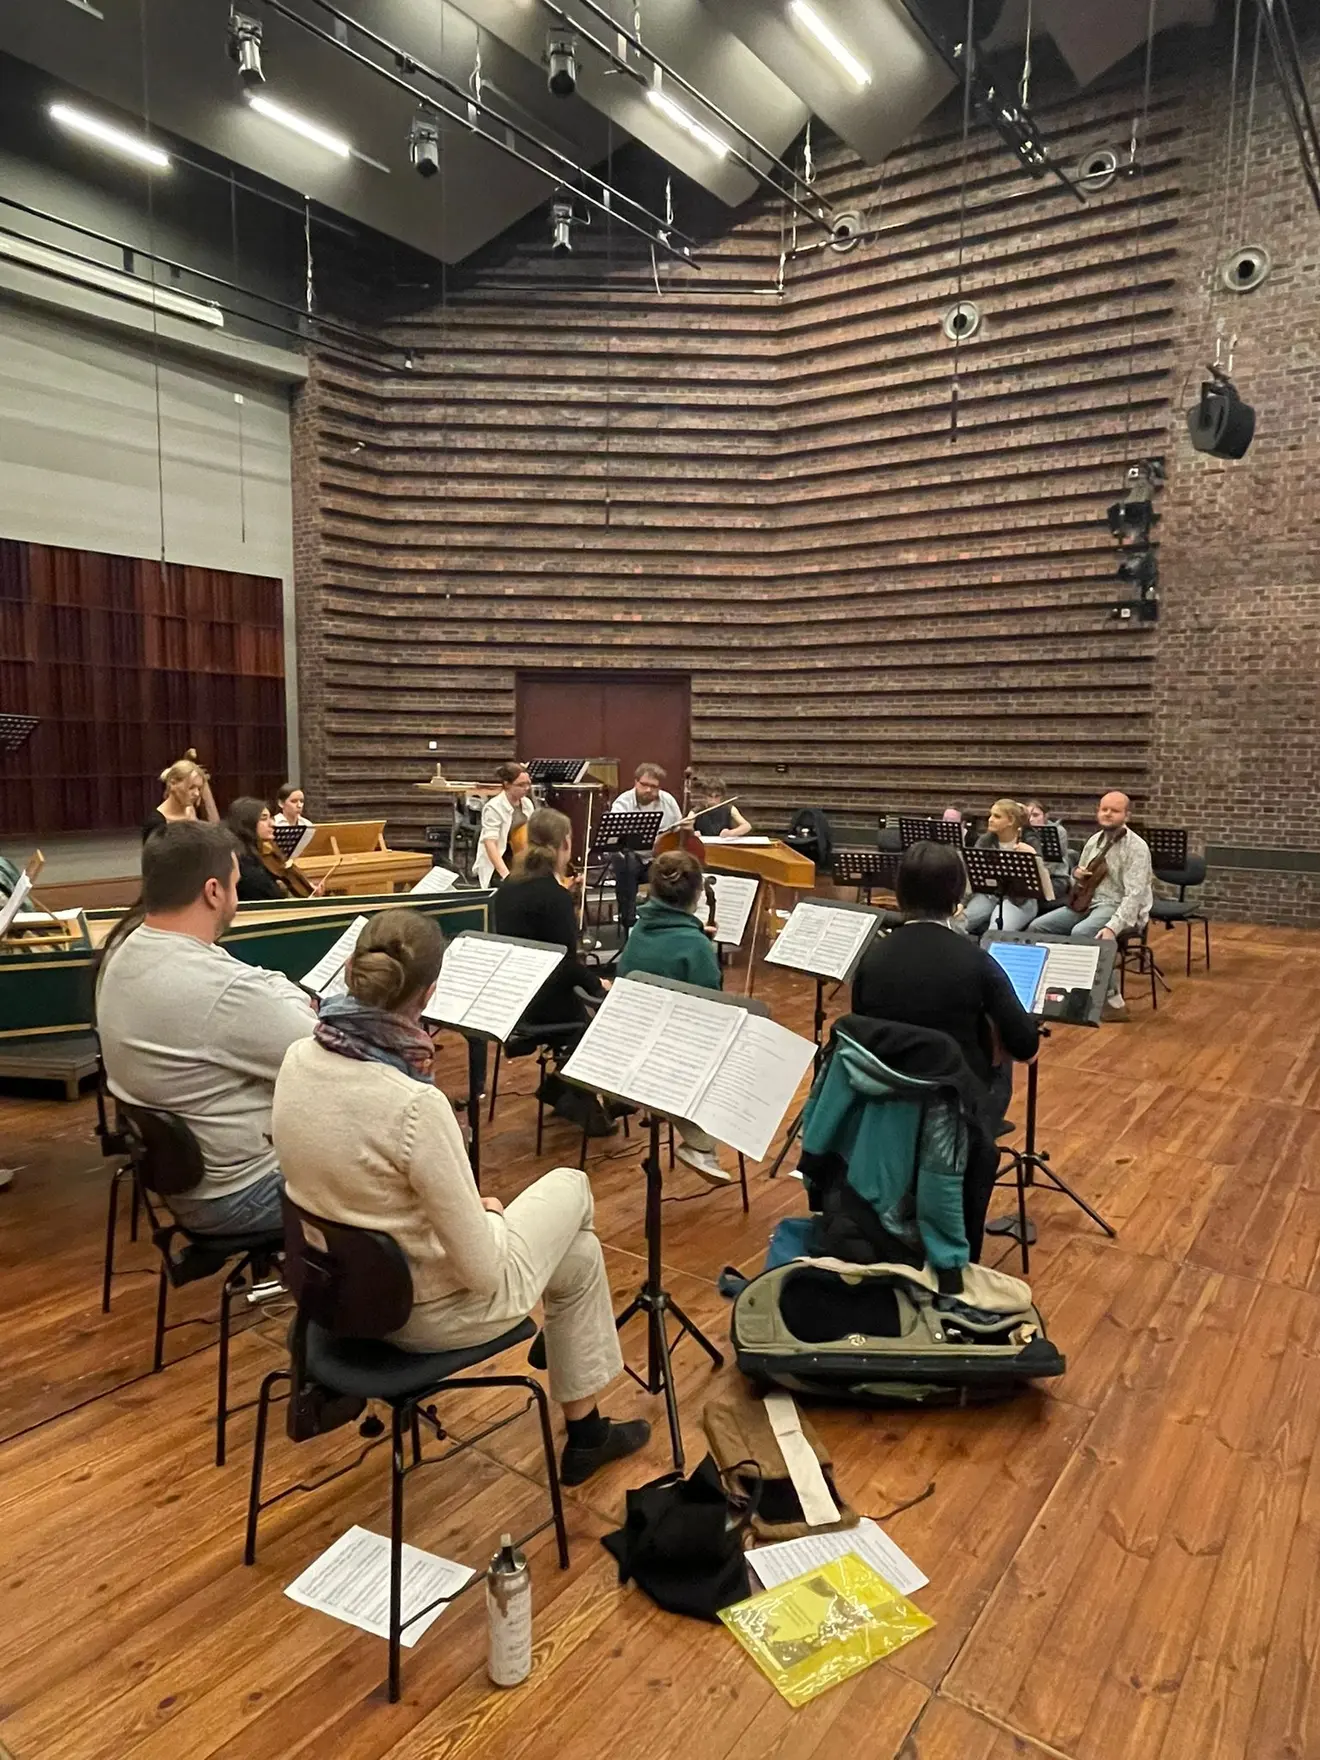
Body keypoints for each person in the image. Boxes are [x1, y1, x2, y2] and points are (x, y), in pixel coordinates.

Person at [271, 908, 650, 1486]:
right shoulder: (413, 1105)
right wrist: (489, 1215)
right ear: (430, 994)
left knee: (576, 1258)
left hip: (335, 1292)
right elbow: (482, 1272)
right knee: (571, 1187)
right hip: (420, 1316)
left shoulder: (298, 1056)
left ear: (349, 971)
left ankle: (588, 1433)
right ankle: (573, 1379)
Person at [97, 821, 316, 1235]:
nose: (236, 897)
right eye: (235, 885)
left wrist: (273, 988)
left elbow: (252, 978)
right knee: (388, 1179)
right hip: (239, 1194)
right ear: (213, 891)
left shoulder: (124, 949)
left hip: (178, 1181)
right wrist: (292, 994)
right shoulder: (218, 987)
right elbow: (316, 1051)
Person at [850, 841, 1040, 1257]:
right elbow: (1025, 1044)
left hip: (886, 1098)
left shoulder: (871, 959)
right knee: (1003, 1061)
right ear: (957, 896)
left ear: (900, 892)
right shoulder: (976, 961)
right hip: (953, 1110)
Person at [493, 807, 613, 1136]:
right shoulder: (554, 895)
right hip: (546, 1003)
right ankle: (571, 1091)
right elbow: (564, 965)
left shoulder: (507, 886)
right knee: (605, 1013)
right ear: (564, 844)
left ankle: (563, 1088)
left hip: (516, 996)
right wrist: (598, 983)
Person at [616, 849, 728, 1185]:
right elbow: (713, 1013)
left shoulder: (639, 930)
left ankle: (697, 1139)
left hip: (627, 1042)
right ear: (697, 894)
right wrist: (701, 948)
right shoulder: (695, 946)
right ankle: (701, 1143)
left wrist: (696, 939)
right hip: (671, 1056)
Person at [1028, 790, 1153, 1013]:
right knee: (1038, 927)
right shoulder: (1094, 841)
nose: (1108, 814)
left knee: (1082, 932)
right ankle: (1052, 988)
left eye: (1115, 811)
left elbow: (1134, 895)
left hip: (1117, 906)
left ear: (1127, 815)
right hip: (1088, 902)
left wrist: (1112, 927)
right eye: (1104, 809)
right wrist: (1076, 873)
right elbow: (1079, 877)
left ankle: (1112, 1000)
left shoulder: (1137, 847)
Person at [608, 762, 683, 931]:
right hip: (633, 858)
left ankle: (665, 919)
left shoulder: (668, 801)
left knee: (679, 861)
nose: (648, 790)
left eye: (654, 786)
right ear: (636, 782)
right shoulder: (623, 802)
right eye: (644, 785)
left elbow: (678, 830)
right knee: (625, 861)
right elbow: (616, 835)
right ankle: (629, 921)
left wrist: (686, 829)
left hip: (659, 858)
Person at [963, 799, 1045, 937]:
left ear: (1011, 821)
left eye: (997, 816)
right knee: (958, 922)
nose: (990, 820)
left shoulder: (1029, 841)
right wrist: (962, 903)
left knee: (995, 932)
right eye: (991, 815)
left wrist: (1032, 856)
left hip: (1020, 901)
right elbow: (970, 875)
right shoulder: (985, 841)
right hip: (989, 895)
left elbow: (1040, 881)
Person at [476, 762, 535, 888]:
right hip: (500, 860)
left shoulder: (527, 804)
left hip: (519, 858)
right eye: (521, 785)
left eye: (528, 784)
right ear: (507, 784)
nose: (526, 788)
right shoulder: (494, 807)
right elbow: (490, 843)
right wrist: (505, 875)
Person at [142, 755, 219, 843]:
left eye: (199, 788)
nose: (197, 793)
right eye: (191, 787)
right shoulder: (157, 823)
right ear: (173, 784)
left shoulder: (190, 810)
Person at [226, 797, 287, 901]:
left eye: (271, 818)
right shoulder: (244, 861)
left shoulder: (249, 852)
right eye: (264, 819)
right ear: (247, 822)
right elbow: (269, 895)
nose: (272, 824)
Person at [689, 773, 752, 840]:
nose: (713, 800)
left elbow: (747, 826)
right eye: (710, 796)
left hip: (723, 844)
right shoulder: (695, 811)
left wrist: (730, 833)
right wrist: (692, 833)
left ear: (722, 796)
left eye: (717, 796)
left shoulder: (729, 809)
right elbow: (686, 828)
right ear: (704, 796)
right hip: (703, 844)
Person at [1026, 799, 1071, 889]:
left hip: (1056, 876)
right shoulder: (1024, 831)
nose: (1031, 819)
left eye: (1035, 815)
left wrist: (1034, 875)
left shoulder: (1058, 831)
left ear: (1045, 816)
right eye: (1028, 816)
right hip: (1029, 876)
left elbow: (1052, 863)